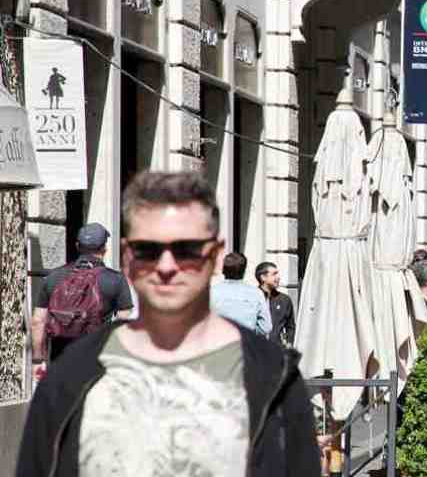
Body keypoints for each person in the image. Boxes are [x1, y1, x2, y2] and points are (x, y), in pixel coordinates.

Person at [17, 170, 321, 476]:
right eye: (148, 250)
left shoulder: (274, 379)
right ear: (127, 256)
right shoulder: (67, 380)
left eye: (185, 249)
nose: (166, 266)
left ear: (214, 254)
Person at [31, 223, 134, 369]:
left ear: (77, 246)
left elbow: (38, 321)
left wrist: (37, 359)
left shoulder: (53, 277)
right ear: (104, 248)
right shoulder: (115, 280)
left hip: (59, 363)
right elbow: (124, 322)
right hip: (96, 361)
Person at [209, 251, 272, 336]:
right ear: (244, 271)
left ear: (223, 270)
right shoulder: (256, 294)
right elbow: (266, 327)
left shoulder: (211, 292)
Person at [254, 260, 295, 347]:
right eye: (274, 274)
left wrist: (289, 343)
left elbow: (290, 327)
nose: (278, 277)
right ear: (263, 277)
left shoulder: (285, 300)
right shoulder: (251, 299)